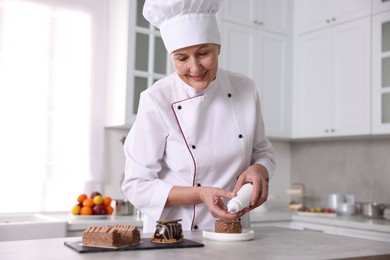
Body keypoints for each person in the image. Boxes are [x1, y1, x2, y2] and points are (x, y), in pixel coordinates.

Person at [122, 0, 276, 233]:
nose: (195, 68)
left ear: (218, 48)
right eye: (182, 58)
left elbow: (263, 153)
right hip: (175, 235)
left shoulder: (245, 88)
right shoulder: (157, 99)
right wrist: (199, 194)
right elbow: (136, 185)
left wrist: (260, 170)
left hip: (234, 230)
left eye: (203, 53)